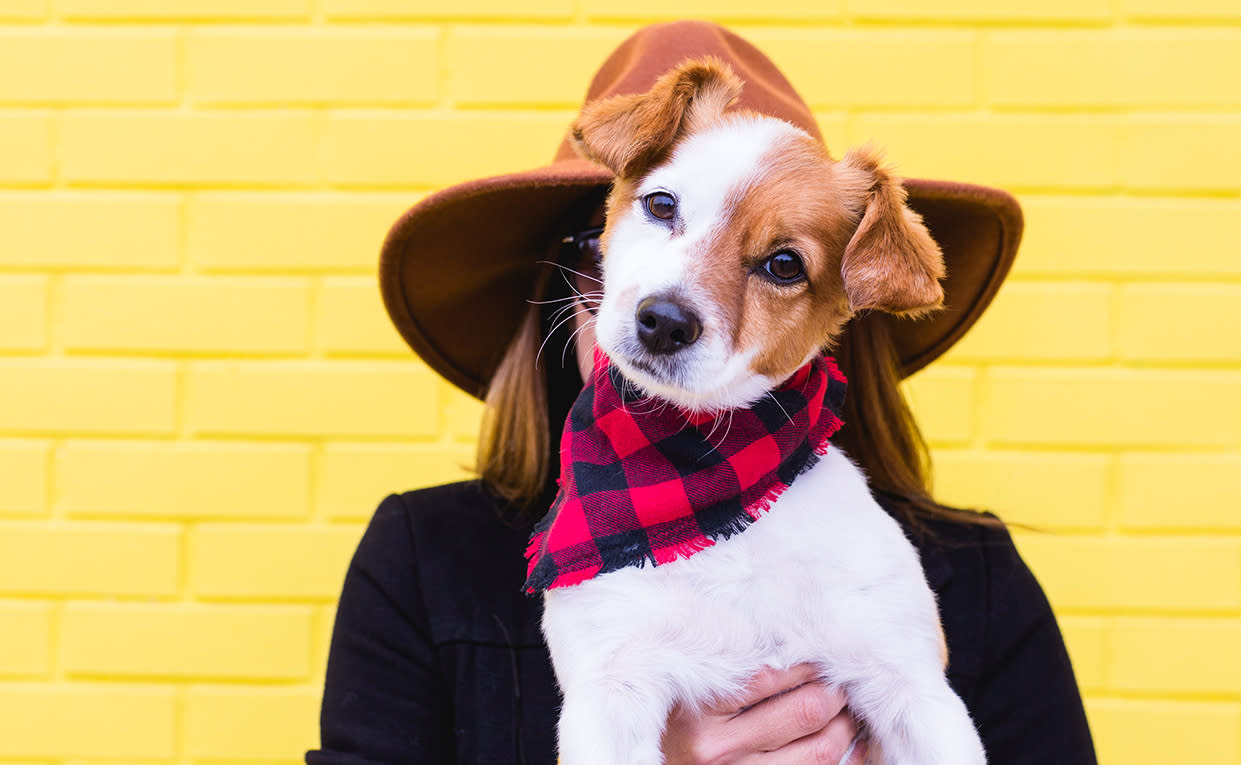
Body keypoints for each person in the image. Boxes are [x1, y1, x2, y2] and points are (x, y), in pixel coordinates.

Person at [307, 20, 1098, 765]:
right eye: (660, 209)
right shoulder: (423, 557)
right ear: (587, 248)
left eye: (781, 264)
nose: (675, 301)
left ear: (841, 308)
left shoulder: (964, 572)